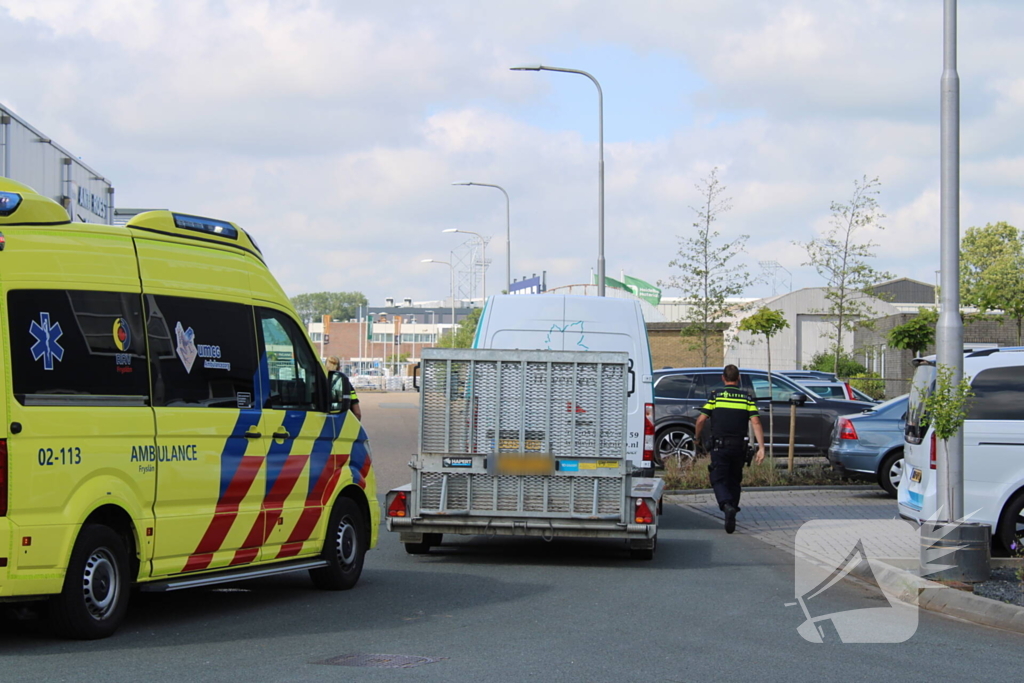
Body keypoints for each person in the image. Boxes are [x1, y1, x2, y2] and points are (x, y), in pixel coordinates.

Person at [693, 364, 765, 534]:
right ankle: (732, 508)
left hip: (720, 447)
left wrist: (697, 438)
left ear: (723, 378)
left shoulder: (716, 397)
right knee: (734, 480)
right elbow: (756, 422)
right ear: (738, 378)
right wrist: (761, 448)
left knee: (718, 479)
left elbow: (701, 420)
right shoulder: (747, 398)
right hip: (739, 447)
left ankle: (726, 506)